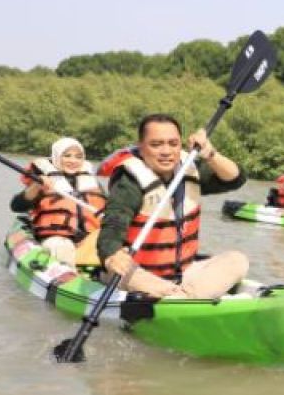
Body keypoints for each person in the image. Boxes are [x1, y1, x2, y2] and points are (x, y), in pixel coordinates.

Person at [97, 114, 249, 299]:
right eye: (156, 144)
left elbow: (234, 179)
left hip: (183, 272)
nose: (166, 151)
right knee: (154, 284)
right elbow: (113, 226)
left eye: (173, 143)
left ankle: (183, 297)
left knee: (237, 260)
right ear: (141, 146)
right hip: (136, 272)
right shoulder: (129, 182)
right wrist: (112, 255)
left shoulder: (189, 169)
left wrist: (210, 154)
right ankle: (183, 297)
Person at [10, 137, 107, 265]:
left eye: (78, 157)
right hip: (56, 238)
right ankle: (69, 277)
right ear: (56, 157)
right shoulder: (43, 180)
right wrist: (36, 186)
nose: (73, 161)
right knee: (62, 247)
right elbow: (17, 206)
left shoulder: (93, 183)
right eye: (67, 156)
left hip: (87, 238)